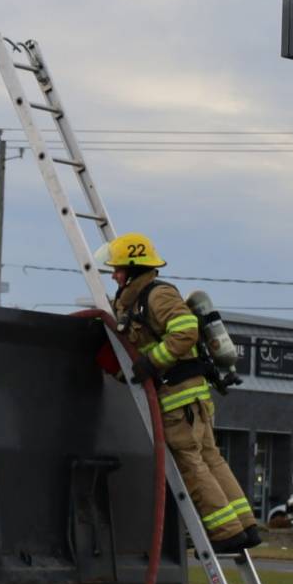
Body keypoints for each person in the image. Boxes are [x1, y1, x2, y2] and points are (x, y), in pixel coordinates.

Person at [101, 232, 258, 553]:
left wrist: (152, 361)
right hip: (191, 397)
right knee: (211, 459)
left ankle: (225, 533)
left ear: (133, 268)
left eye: (117, 269)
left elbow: (186, 329)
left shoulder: (156, 295)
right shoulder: (138, 299)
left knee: (192, 463)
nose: (114, 275)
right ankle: (245, 527)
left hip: (178, 398)